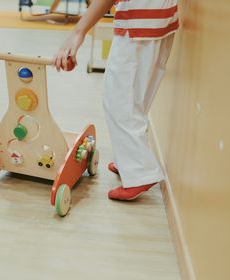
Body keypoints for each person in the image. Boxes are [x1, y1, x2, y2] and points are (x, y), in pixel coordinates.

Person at [54, 0, 178, 200]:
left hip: (139, 24)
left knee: (118, 100)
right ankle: (130, 163)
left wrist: (79, 32)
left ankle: (140, 173)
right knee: (136, 100)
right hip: (159, 19)